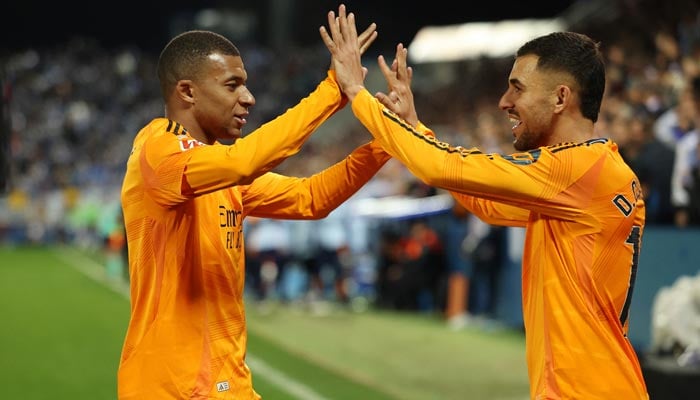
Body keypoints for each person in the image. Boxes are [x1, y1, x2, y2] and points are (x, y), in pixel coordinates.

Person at [321, 10, 648, 399]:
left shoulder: (576, 169)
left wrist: (357, 92)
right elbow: (487, 205)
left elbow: (438, 166)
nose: (503, 101)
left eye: (518, 88)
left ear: (561, 97)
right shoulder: (592, 171)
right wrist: (414, 127)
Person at [117, 6, 390, 399]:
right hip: (173, 387)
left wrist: (384, 144)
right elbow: (244, 161)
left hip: (227, 381)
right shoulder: (160, 151)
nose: (248, 98)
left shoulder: (218, 169)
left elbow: (310, 198)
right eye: (232, 85)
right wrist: (334, 90)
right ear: (188, 92)